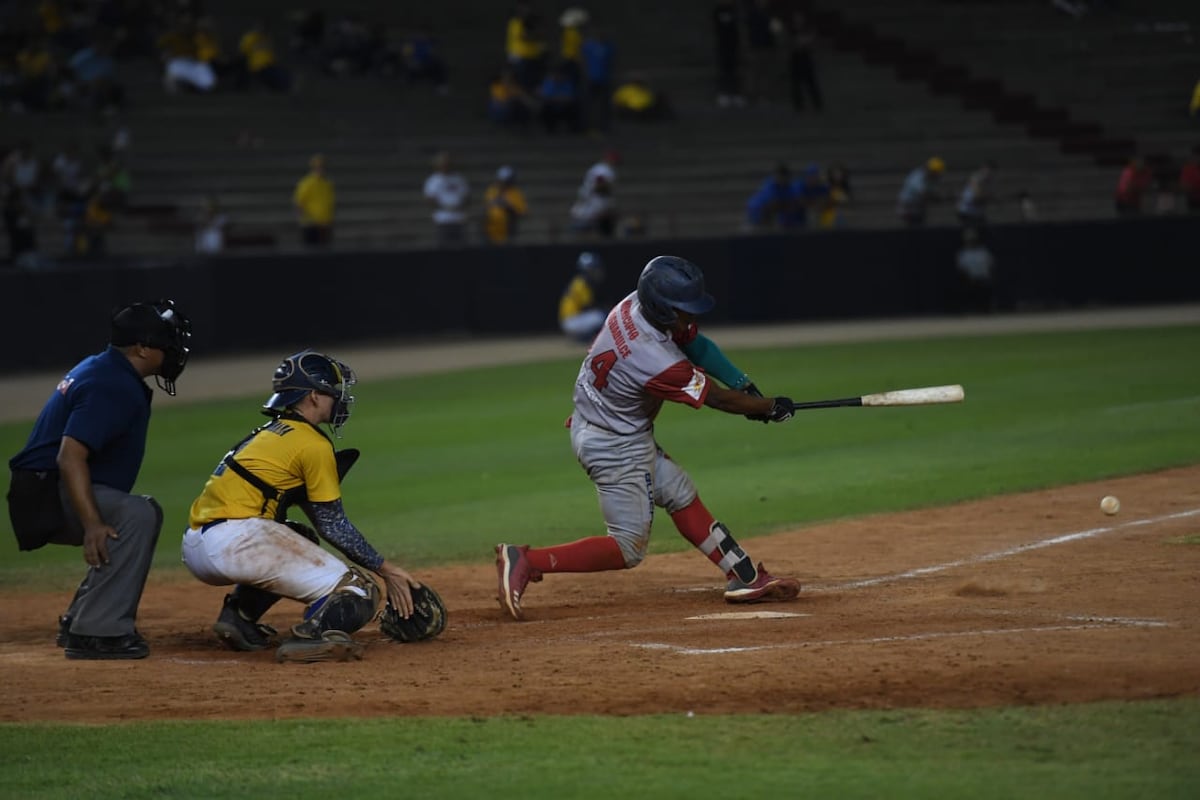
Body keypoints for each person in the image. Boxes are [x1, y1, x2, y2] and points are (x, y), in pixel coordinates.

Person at [496, 255, 801, 621]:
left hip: (606, 424)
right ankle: (526, 561)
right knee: (628, 548)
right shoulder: (655, 358)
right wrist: (766, 406)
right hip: (614, 444)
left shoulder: (634, 304)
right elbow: (714, 398)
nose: (692, 316)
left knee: (679, 492)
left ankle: (744, 576)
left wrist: (746, 388)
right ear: (663, 308)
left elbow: (697, 345)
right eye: (684, 310)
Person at [181, 349, 422, 662]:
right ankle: (313, 637)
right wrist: (386, 571)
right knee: (359, 591)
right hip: (236, 542)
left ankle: (238, 618)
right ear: (313, 396)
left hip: (197, 544)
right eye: (333, 392)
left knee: (302, 536)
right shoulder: (312, 443)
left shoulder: (271, 433)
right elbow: (333, 523)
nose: (339, 399)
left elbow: (316, 519)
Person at [6, 300, 193, 659]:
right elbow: (69, 455)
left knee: (136, 513)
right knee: (136, 515)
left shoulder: (105, 368)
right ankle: (97, 632)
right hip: (45, 492)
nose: (173, 352)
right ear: (141, 347)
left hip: (42, 488)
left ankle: (82, 617)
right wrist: (92, 523)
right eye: (166, 345)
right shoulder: (111, 384)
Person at [423, 150, 471, 246]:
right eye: (443, 163)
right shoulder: (433, 180)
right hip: (443, 220)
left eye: (448, 163)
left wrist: (458, 206)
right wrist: (446, 207)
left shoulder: (459, 179)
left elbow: (467, 197)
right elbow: (429, 199)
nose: (446, 165)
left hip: (459, 219)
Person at [558, 250, 606, 342]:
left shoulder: (577, 281)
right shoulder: (582, 284)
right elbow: (586, 307)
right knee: (602, 315)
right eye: (593, 269)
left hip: (568, 321)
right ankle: (591, 337)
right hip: (572, 321)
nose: (595, 272)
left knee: (598, 314)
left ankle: (583, 337)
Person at [293, 153, 335, 246]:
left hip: (324, 225)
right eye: (318, 167)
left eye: (322, 167)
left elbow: (330, 204)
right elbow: (299, 202)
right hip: (311, 225)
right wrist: (303, 220)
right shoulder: (306, 183)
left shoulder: (327, 184)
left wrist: (329, 221)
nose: (320, 169)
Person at [483, 165, 528, 244]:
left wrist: (508, 206)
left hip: (508, 232)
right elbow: (487, 206)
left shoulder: (515, 193)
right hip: (491, 233)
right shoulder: (492, 190)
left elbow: (523, 212)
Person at [896, 156, 945, 227]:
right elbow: (923, 193)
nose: (937, 175)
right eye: (936, 173)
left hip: (919, 208)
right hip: (908, 207)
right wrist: (938, 198)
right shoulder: (917, 176)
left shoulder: (932, 179)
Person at [957, 161, 996, 227]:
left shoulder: (989, 182)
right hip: (967, 211)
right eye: (987, 169)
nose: (989, 173)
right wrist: (987, 197)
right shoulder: (976, 178)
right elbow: (977, 196)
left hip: (977, 213)